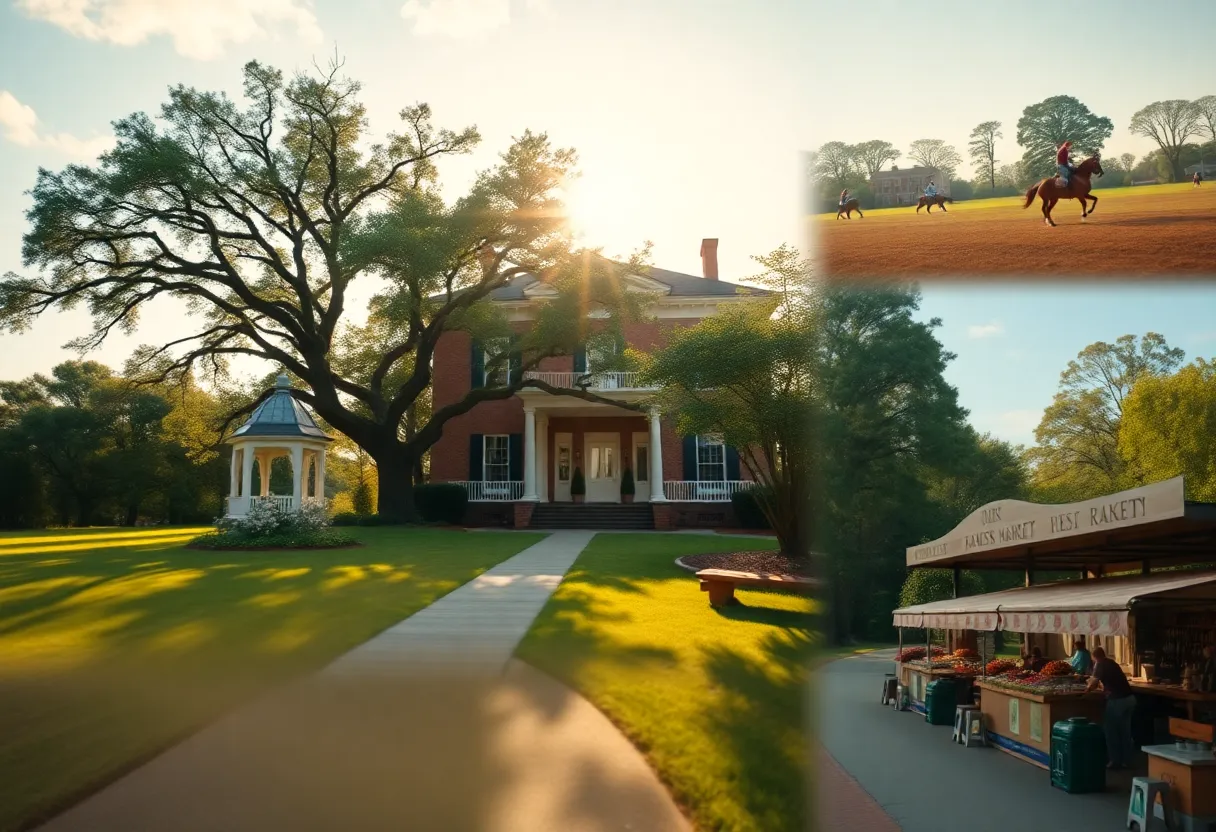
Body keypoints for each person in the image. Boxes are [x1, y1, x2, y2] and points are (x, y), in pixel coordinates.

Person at [1086, 647, 1136, 769]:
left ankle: (1114, 760)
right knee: (1125, 732)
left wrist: (1086, 690)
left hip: (1117, 701)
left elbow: (1093, 683)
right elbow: (1111, 681)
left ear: (1094, 657)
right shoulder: (1112, 663)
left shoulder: (1100, 664)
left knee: (1111, 731)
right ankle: (1127, 761)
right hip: (1130, 699)